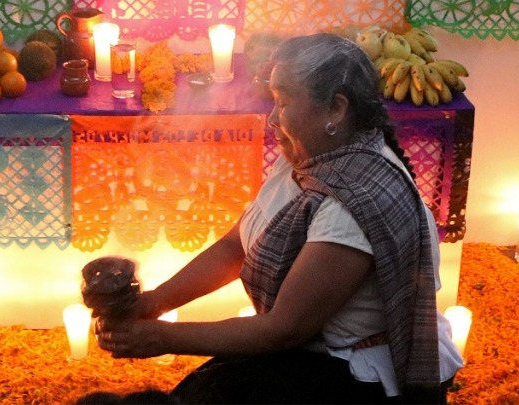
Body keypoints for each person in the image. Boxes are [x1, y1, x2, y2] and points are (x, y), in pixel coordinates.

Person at [97, 33, 462, 404]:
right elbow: (232, 247)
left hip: (347, 372)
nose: (272, 118)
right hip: (298, 347)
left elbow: (283, 330)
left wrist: (160, 337)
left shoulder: (355, 201)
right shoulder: (308, 157)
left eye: (283, 102)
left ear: (335, 109)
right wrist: (155, 303)